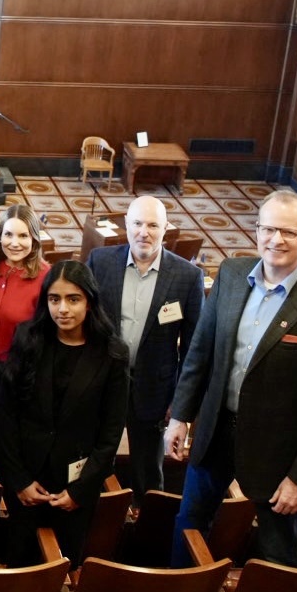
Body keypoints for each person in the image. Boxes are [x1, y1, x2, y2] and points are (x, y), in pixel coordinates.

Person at [167, 190, 297, 567]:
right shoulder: (231, 273)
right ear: (256, 230)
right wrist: (180, 415)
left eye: (289, 232)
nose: (277, 240)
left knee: (279, 549)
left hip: (279, 454)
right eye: (269, 228)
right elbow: (200, 352)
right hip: (215, 432)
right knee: (188, 526)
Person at [0, 261, 129, 565]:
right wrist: (19, 480)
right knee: (19, 565)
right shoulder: (27, 338)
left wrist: (80, 491)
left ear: (90, 302)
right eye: (54, 299)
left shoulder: (112, 354)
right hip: (27, 482)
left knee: (63, 569)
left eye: (73, 299)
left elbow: (110, 435)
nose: (62, 309)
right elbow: (5, 418)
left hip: (76, 487)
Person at [83, 196, 204, 503]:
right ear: (127, 225)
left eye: (153, 225)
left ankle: (147, 531)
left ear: (165, 229)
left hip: (154, 389)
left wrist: (181, 404)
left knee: (148, 472)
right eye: (137, 224)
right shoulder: (100, 261)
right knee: (91, 461)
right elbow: (82, 323)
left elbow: (194, 349)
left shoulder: (187, 278)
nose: (144, 232)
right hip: (102, 383)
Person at [0, 203, 50, 474]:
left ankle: (13, 484)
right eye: (8, 235)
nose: (14, 243)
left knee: (13, 432)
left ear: (34, 240)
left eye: (23, 236)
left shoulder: (45, 276)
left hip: (20, 368)